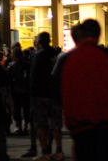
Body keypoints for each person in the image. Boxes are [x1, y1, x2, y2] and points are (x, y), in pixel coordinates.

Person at [59, 19, 108, 161]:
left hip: (81, 127)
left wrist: (70, 122)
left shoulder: (69, 59)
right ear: (99, 34)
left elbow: (65, 93)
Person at [30, 32, 63, 160]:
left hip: (40, 95)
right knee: (56, 124)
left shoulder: (38, 56)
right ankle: (59, 149)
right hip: (54, 95)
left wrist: (32, 94)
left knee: (41, 124)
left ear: (40, 42)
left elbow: (34, 78)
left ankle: (45, 151)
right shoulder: (56, 55)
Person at [8, 45, 31, 135]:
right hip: (25, 90)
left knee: (17, 109)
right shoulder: (27, 64)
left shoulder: (12, 65)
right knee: (26, 109)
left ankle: (18, 126)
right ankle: (25, 126)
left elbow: (9, 78)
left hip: (16, 90)